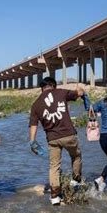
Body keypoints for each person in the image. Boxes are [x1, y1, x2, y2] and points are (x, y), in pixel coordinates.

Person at [28, 77, 86, 205]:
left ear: (41, 88)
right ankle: (76, 180)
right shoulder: (61, 92)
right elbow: (79, 94)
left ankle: (54, 196)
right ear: (53, 85)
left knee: (54, 166)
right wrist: (80, 90)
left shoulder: (36, 104)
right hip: (68, 135)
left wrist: (32, 141)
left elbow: (33, 125)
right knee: (76, 156)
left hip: (52, 139)